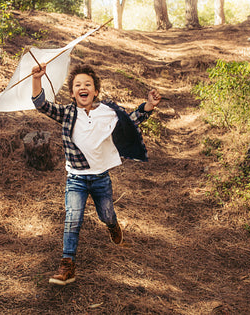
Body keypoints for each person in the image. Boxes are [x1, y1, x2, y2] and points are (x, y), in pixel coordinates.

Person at [31, 63, 161, 285]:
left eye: (88, 84)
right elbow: (42, 104)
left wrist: (148, 105)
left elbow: (131, 121)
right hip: (76, 179)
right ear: (72, 93)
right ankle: (67, 264)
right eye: (78, 85)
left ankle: (112, 225)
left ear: (96, 91)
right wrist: (37, 79)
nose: (83, 87)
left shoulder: (107, 112)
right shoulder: (67, 113)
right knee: (72, 219)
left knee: (107, 213)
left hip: (101, 178)